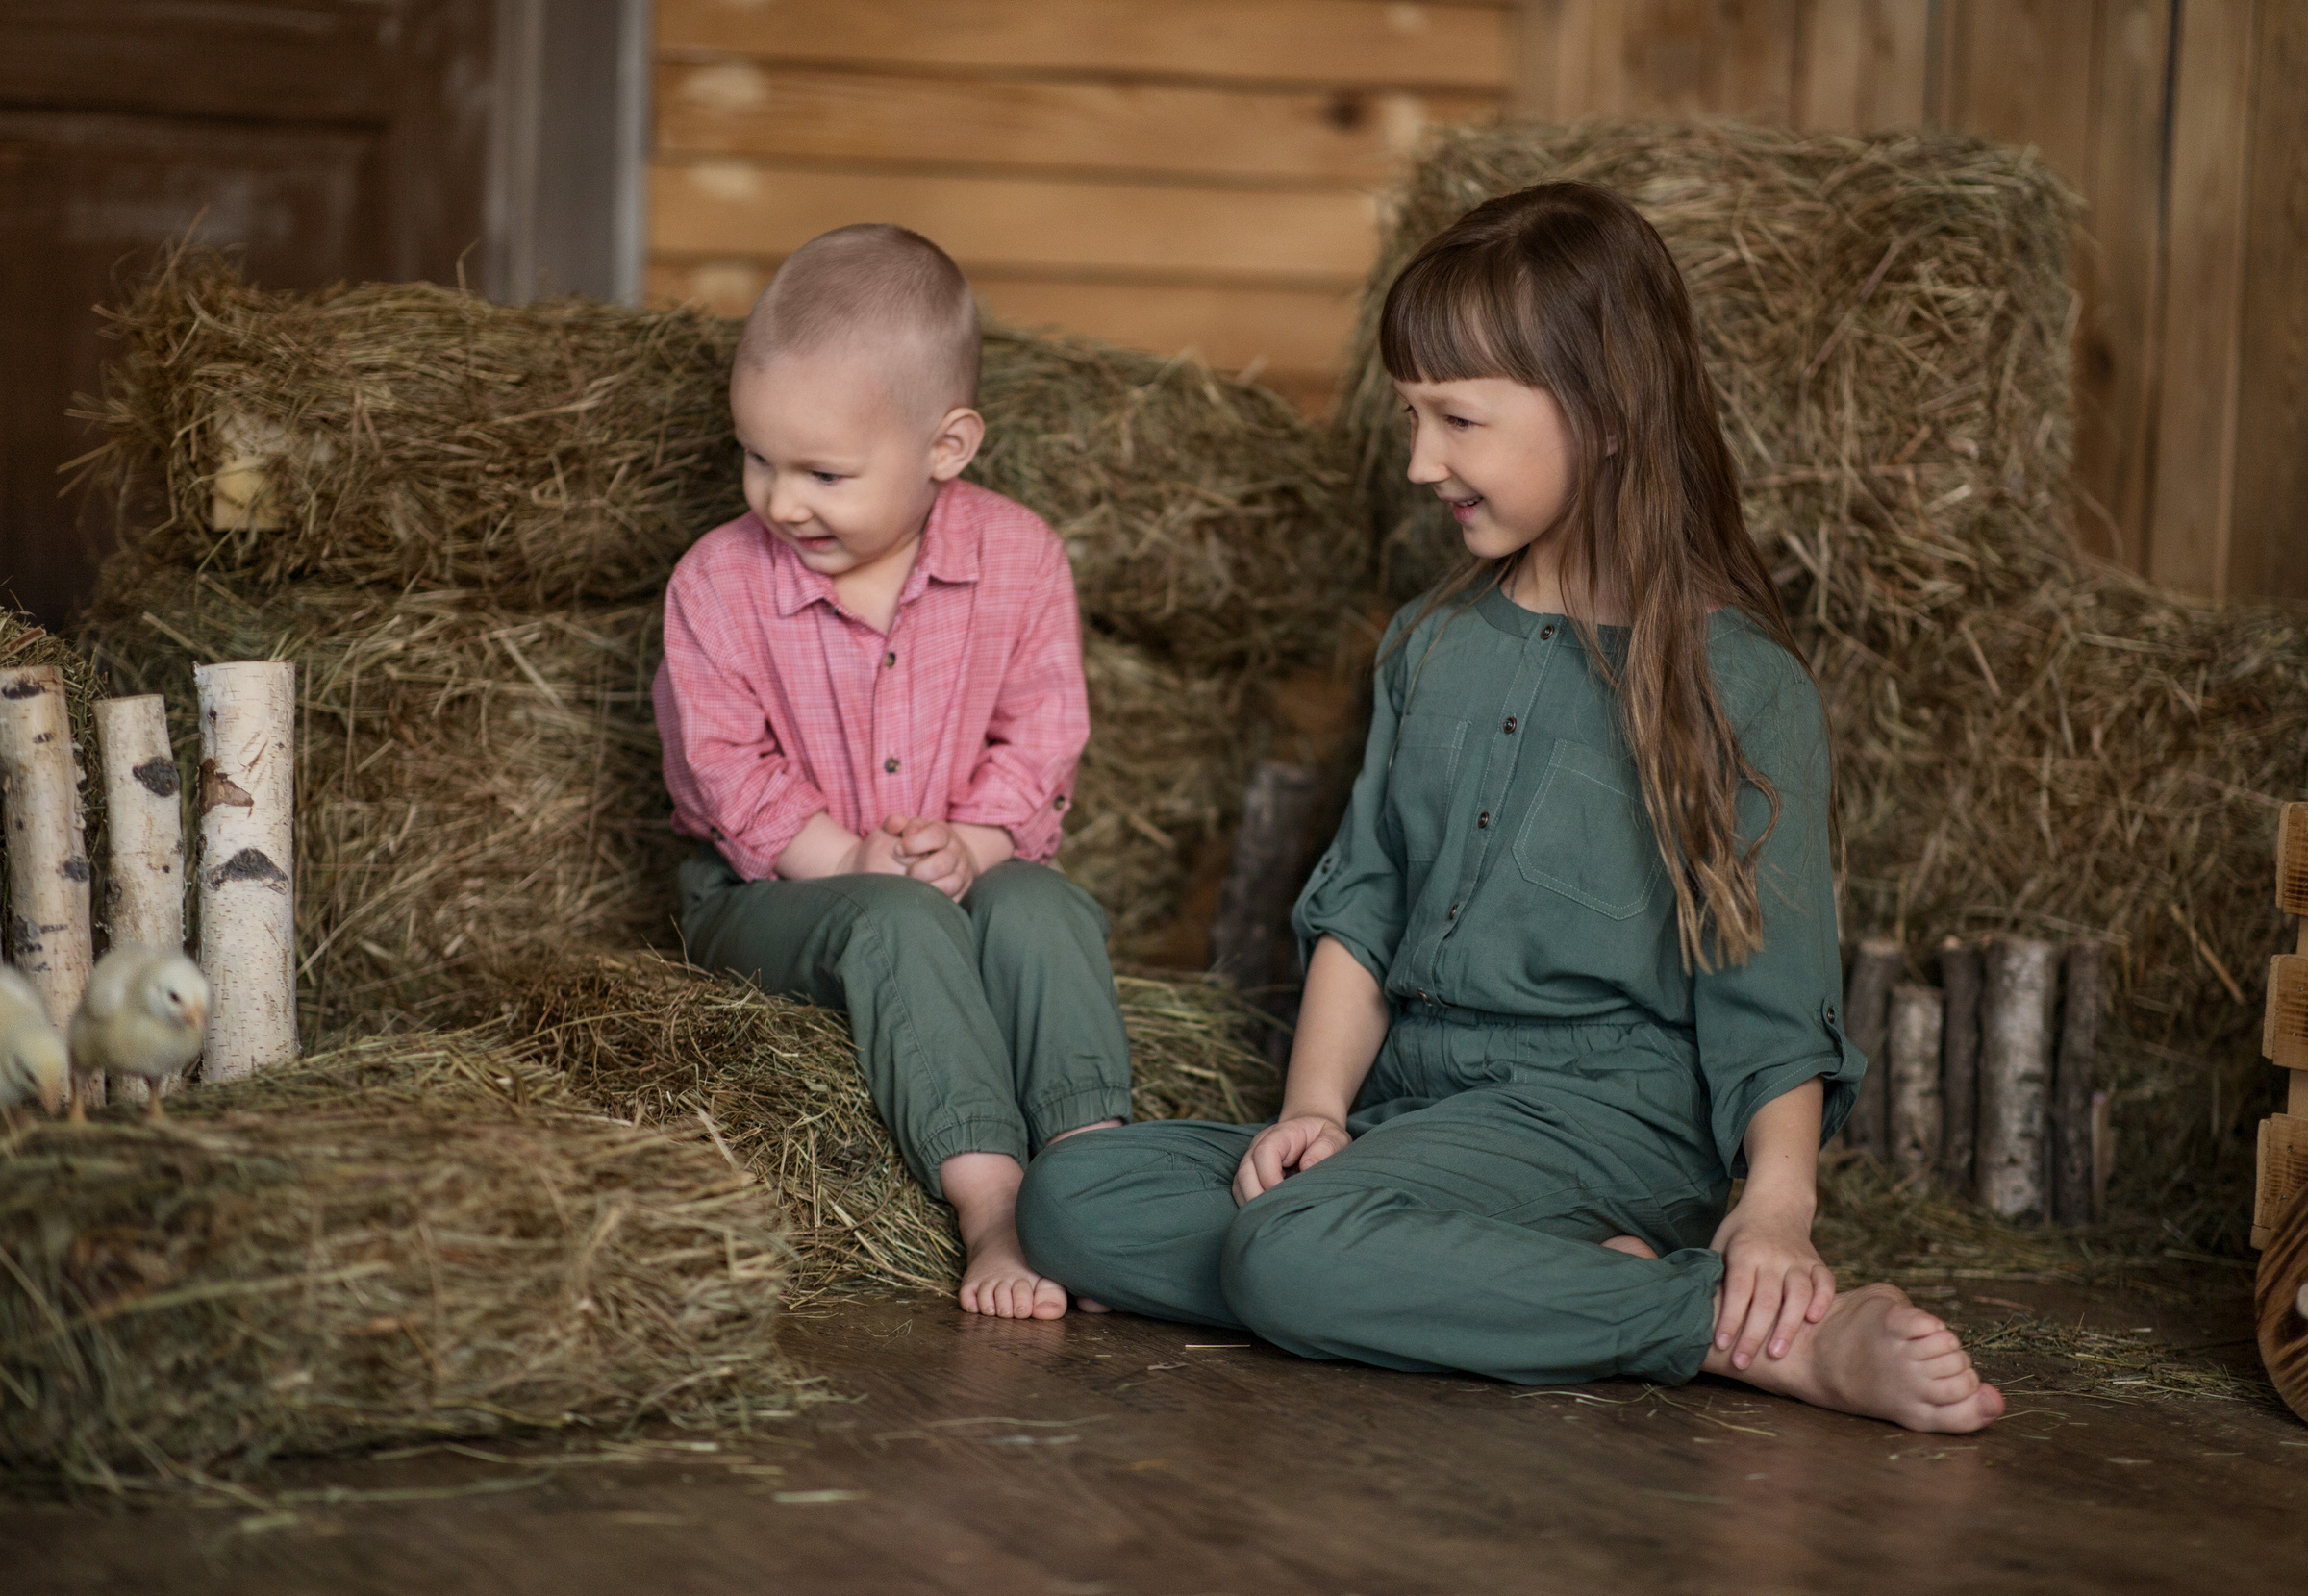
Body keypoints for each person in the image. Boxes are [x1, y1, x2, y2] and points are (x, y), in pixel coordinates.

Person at [1016, 182, 2003, 1433]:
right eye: (1411, 416)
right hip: (1415, 1106)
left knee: (1286, 1252)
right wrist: (1315, 1110)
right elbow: (1362, 907)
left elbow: (1774, 992)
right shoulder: (1430, 642)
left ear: (1600, 413)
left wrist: (1777, 1207)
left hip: (1610, 1115)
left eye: (1459, 419)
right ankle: (1542, 1281)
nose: (1424, 461)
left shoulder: (1739, 680)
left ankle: (1724, 1326)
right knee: (1072, 1196)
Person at [654, 222, 1129, 1322]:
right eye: (758, 458)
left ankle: (1100, 1182)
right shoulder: (718, 581)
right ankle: (995, 1209)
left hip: (955, 858)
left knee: (1046, 910)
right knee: (895, 923)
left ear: (946, 447)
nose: (780, 501)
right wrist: (848, 857)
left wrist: (975, 843)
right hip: (764, 896)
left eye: (823, 472)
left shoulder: (1019, 559)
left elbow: (1043, 731)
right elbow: (725, 768)